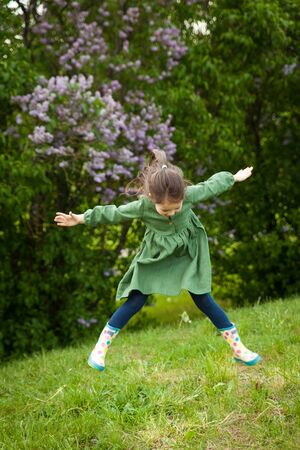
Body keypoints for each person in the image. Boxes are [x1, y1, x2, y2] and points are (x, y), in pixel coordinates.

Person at [54, 149, 262, 371]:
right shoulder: (143, 206)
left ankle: (240, 350)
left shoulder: (189, 194)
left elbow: (212, 185)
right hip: (157, 254)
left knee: (203, 298)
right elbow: (113, 213)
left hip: (188, 252)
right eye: (165, 210)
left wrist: (233, 177)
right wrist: (81, 218)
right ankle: (99, 350)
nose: (171, 213)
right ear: (152, 200)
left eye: (176, 208)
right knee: (136, 299)